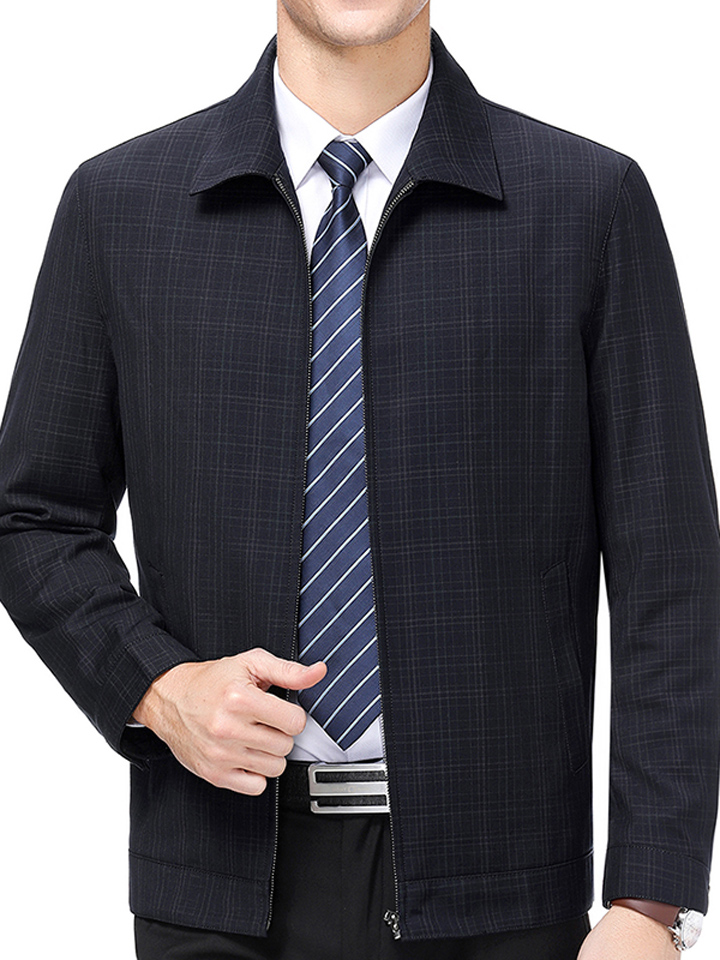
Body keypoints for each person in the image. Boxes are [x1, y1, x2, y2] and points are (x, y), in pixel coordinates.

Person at [0, 1, 717, 957]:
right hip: (215, 886)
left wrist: (650, 904)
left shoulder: (588, 203)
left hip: (504, 899)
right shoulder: (120, 205)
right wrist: (158, 687)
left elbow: (670, 570)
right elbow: (31, 516)